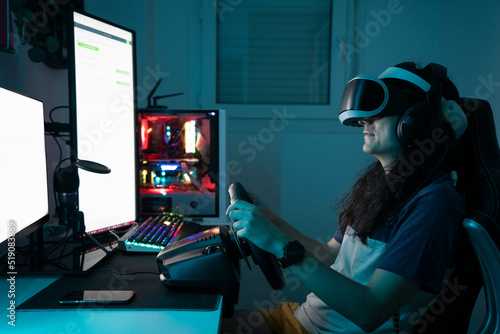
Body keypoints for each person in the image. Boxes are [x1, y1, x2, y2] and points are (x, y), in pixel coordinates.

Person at [223, 62, 468, 333]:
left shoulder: (433, 204)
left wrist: (277, 244)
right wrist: (270, 219)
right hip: (302, 319)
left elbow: (370, 310)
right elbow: (330, 255)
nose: (364, 120)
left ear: (418, 120)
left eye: (382, 110)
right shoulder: (381, 185)